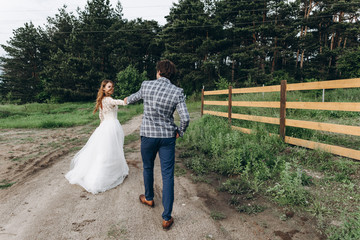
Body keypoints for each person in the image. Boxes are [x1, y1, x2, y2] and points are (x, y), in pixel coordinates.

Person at [124, 60, 190, 230]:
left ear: (159, 71)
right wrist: (179, 131)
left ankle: (149, 197)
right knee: (167, 175)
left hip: (148, 135)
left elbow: (134, 98)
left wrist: (126, 100)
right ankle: (167, 217)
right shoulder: (177, 91)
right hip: (167, 138)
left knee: (147, 167)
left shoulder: (146, 85)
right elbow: (186, 118)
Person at [65, 80, 129, 194]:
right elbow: (116, 102)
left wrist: (101, 126)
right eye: (109, 87)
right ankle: (104, 175)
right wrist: (125, 101)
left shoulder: (102, 101)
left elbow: (101, 115)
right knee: (111, 149)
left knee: (106, 150)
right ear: (103, 88)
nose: (111, 88)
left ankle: (111, 170)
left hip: (106, 126)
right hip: (111, 126)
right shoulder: (108, 100)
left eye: (112, 87)